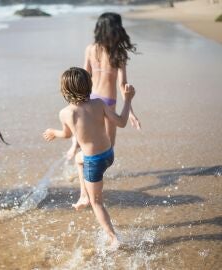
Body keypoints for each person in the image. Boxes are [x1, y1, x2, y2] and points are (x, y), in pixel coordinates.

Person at [43, 67, 135, 245]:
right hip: (108, 154)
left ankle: (114, 238)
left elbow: (67, 134)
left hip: (94, 162)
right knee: (78, 159)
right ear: (89, 85)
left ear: (64, 91)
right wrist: (128, 100)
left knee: (97, 203)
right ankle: (83, 194)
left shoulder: (66, 113)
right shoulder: (99, 103)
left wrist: (53, 132)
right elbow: (122, 122)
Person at [66, 12, 141, 209]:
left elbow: (84, 76)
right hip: (107, 102)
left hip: (89, 99)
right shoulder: (119, 54)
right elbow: (123, 85)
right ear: (116, 29)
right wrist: (130, 110)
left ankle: (76, 148)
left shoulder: (90, 49)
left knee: (88, 144)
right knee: (106, 149)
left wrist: (75, 102)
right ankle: (90, 189)